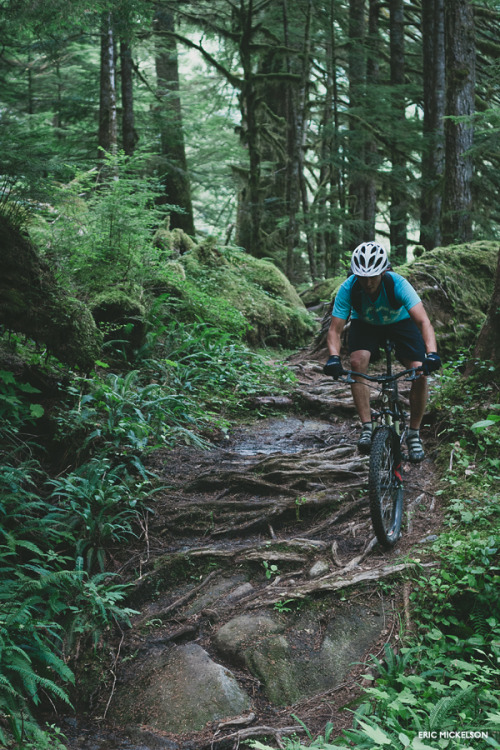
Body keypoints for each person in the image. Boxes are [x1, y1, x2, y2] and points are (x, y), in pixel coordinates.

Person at [324, 241, 441, 462]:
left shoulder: (398, 284)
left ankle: (414, 434)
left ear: (384, 271)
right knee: (357, 363)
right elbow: (334, 330)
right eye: (362, 277)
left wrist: (432, 354)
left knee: (419, 371)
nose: (368, 283)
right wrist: (333, 358)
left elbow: (424, 322)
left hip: (400, 322)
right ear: (354, 274)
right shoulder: (348, 288)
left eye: (373, 276)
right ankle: (367, 426)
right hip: (365, 324)